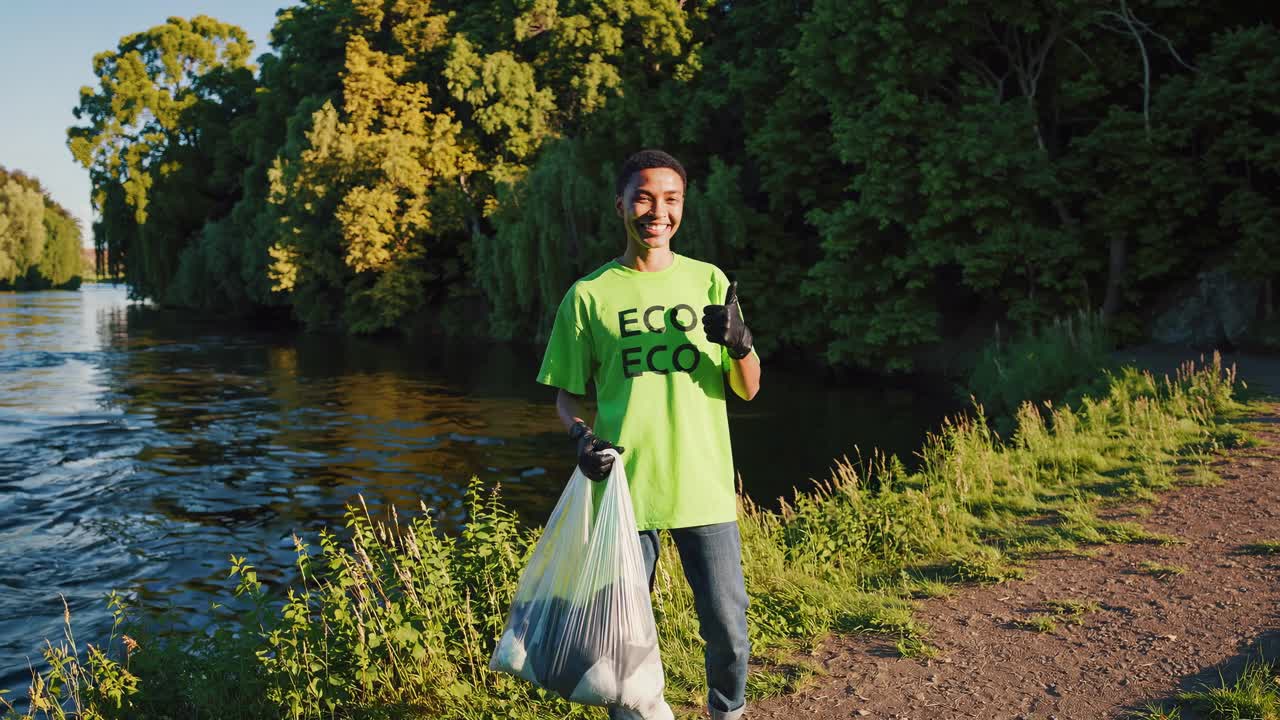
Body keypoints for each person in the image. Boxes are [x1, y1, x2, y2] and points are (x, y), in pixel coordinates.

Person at [536, 149, 761, 720]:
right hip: (623, 493)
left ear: (682, 207)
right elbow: (566, 396)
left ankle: (727, 712)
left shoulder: (709, 280)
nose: (656, 211)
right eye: (643, 197)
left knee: (729, 630)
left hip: (703, 485)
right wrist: (580, 438)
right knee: (621, 642)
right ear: (620, 205)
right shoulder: (589, 295)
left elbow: (749, 388)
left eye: (670, 199)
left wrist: (740, 344)